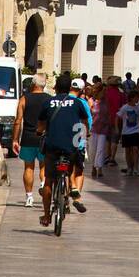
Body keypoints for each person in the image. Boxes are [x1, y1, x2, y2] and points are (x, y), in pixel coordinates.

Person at [36, 72, 92, 227]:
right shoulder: (78, 103)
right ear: (69, 88)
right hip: (70, 146)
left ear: (55, 87)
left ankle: (47, 215)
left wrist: (39, 132)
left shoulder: (48, 102)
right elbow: (84, 122)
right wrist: (84, 134)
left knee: (48, 180)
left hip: (52, 146)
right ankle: (70, 190)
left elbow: (40, 125)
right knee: (69, 170)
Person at [12, 74, 47, 207]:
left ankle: (29, 197)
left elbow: (18, 121)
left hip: (28, 137)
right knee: (44, 165)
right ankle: (44, 184)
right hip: (44, 137)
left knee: (28, 166)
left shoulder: (24, 99)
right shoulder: (50, 100)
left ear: (33, 84)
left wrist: (15, 139)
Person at [67, 76, 91, 209]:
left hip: (62, 141)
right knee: (79, 170)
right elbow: (88, 123)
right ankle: (77, 197)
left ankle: (65, 196)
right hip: (78, 141)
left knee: (65, 169)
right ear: (81, 90)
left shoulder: (62, 101)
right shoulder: (82, 104)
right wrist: (87, 134)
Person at [117, 91, 139, 174]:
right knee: (127, 150)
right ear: (132, 98)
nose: (138, 99)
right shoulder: (125, 108)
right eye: (136, 97)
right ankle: (129, 167)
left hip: (135, 131)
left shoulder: (138, 108)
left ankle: (136, 168)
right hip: (126, 132)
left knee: (135, 149)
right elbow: (118, 116)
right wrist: (117, 128)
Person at [88, 81, 111, 178]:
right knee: (93, 149)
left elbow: (108, 114)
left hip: (103, 128)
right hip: (93, 128)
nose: (105, 93)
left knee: (101, 148)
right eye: (103, 91)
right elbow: (88, 115)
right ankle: (93, 167)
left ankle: (100, 168)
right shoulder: (91, 101)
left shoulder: (106, 101)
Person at [105, 76, 125, 166]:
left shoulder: (105, 93)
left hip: (106, 119)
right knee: (114, 140)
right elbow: (124, 106)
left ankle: (107, 156)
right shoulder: (121, 94)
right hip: (117, 119)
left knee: (107, 139)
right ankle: (112, 158)